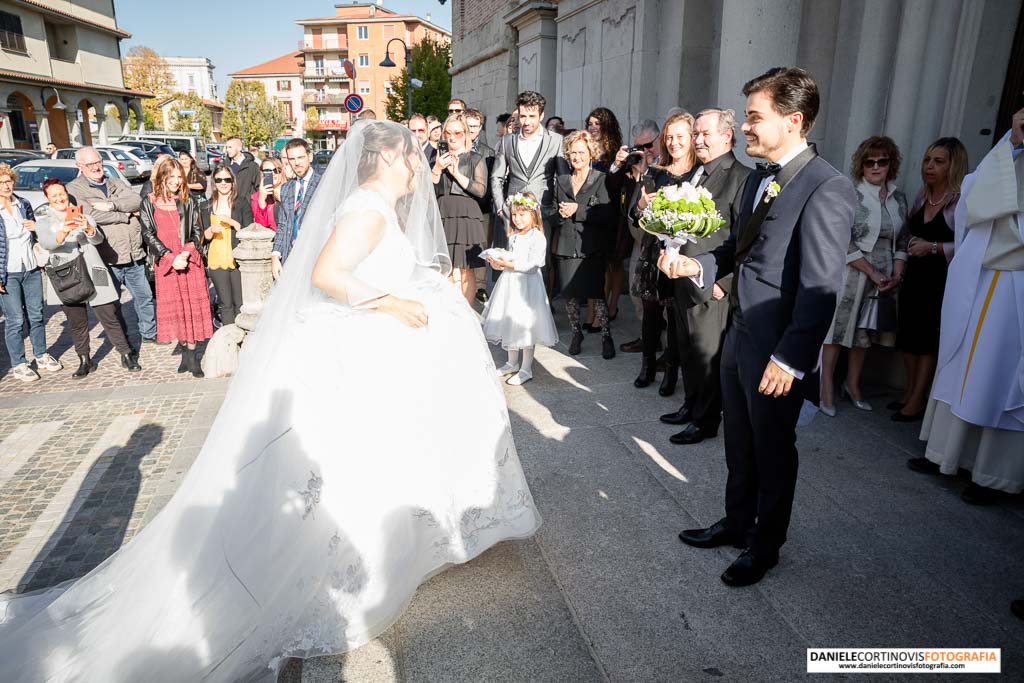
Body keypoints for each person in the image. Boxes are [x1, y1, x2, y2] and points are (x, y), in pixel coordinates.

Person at [0, 122, 541, 682]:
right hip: (361, 344)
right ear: (384, 159)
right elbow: (327, 274)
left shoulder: (374, 204)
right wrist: (391, 304)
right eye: (409, 158)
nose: (415, 169)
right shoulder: (368, 210)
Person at [665, 67, 855, 586]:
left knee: (772, 449)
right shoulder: (757, 179)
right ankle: (735, 522)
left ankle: (765, 545)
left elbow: (820, 287)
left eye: (754, 117)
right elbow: (737, 251)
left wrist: (791, 359)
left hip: (777, 350)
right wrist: (696, 265)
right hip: (739, 333)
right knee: (739, 442)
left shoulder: (827, 188)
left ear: (793, 121)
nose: (746, 127)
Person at [909, 110, 1024, 506]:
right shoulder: (1005, 154)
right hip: (976, 274)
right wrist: (1013, 142)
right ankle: (945, 454)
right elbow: (977, 195)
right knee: (958, 364)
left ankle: (991, 473)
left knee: (995, 377)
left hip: (1015, 286)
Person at [660, 108, 752, 445]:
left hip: (712, 283)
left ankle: (706, 420)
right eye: (695, 133)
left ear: (727, 136)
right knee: (687, 349)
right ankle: (691, 405)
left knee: (707, 355)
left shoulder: (741, 176)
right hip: (684, 276)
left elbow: (743, 238)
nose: (698, 139)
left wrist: (722, 283)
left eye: (705, 133)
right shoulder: (696, 173)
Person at [819, 136, 908, 416]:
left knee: (863, 336)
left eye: (882, 161)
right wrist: (872, 272)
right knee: (836, 332)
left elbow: (903, 240)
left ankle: (853, 384)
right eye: (870, 161)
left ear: (891, 164)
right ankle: (826, 388)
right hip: (852, 272)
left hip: (884, 279)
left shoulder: (899, 198)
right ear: (861, 164)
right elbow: (840, 239)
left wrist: (897, 273)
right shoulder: (850, 194)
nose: (876, 167)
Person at [892, 137, 967, 421]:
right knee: (909, 336)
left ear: (953, 165)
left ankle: (917, 400)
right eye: (926, 160)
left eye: (939, 161)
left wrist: (932, 247)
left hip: (942, 281)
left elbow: (969, 244)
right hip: (915, 277)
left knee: (926, 340)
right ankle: (910, 392)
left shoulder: (960, 202)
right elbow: (909, 232)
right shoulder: (922, 196)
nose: (930, 166)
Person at [35, 178, 138, 377]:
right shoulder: (45, 221)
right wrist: (63, 231)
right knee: (77, 321)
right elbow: (48, 244)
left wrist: (89, 229)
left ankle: (126, 354)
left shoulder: (82, 214)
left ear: (67, 193)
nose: (59, 198)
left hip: (94, 269)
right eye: (54, 195)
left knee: (109, 315)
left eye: (61, 193)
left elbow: (98, 239)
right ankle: (85, 360)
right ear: (47, 199)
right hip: (66, 274)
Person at [630, 110, 697, 394]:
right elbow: (635, 215)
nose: (673, 143)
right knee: (651, 312)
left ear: (691, 139)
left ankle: (671, 371)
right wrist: (643, 206)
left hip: (683, 257)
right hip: (653, 253)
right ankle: (647, 366)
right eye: (669, 137)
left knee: (675, 317)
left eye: (679, 137)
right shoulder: (656, 173)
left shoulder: (700, 173)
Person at [68, 147, 160, 345]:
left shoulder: (116, 182)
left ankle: (149, 332)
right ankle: (122, 340)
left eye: (98, 162)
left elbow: (136, 200)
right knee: (111, 304)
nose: (96, 167)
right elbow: (90, 215)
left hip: (133, 253)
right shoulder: (74, 189)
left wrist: (111, 205)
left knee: (144, 297)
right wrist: (124, 215)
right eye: (90, 164)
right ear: (80, 166)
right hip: (105, 258)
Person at [139, 156, 213, 378]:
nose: (176, 181)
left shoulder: (187, 200)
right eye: (171, 176)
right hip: (168, 264)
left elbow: (198, 232)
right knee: (178, 311)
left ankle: (193, 357)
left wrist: (186, 253)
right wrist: (170, 257)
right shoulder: (149, 201)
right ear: (162, 177)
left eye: (179, 176)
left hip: (189, 261)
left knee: (192, 309)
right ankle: (183, 354)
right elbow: (147, 234)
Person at [483, 192, 559, 385]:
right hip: (510, 285)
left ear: (533, 214)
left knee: (525, 326)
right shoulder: (514, 236)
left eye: (522, 214)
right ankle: (511, 362)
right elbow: (512, 256)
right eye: (514, 215)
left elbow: (533, 265)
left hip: (528, 287)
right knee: (510, 321)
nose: (517, 219)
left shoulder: (538, 237)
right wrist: (498, 263)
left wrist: (508, 265)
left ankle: (526, 369)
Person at [552, 130, 616, 359]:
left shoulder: (600, 178)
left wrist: (578, 209)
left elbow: (608, 213)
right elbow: (551, 210)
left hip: (591, 245)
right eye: (573, 152)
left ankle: (606, 335)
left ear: (591, 153)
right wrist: (559, 214)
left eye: (581, 152)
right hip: (566, 244)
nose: (576, 156)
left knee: (596, 293)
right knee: (569, 294)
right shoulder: (561, 180)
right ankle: (576, 333)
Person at [0, 163, 61, 382]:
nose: (7, 186)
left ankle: (41, 355)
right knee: (15, 320)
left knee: (36, 314)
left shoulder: (22, 203)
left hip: (30, 267)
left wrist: (35, 229)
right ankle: (19, 363)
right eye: (2, 182)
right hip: (7, 271)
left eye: (9, 181)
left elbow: (36, 233)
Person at [490, 91, 563, 246]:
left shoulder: (556, 141)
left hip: (543, 213)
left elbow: (563, 176)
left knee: (541, 266)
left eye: (532, 116)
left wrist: (557, 208)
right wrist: (500, 207)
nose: (526, 121)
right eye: (523, 116)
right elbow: (497, 177)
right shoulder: (507, 141)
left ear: (541, 116)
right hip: (512, 214)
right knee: (512, 262)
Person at [612, 119, 661, 349]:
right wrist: (620, 165)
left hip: (657, 243)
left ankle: (660, 342)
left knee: (657, 298)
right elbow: (612, 189)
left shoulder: (667, 166)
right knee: (636, 292)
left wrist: (647, 171)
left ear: (659, 139)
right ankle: (647, 337)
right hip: (636, 239)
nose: (645, 152)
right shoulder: (636, 165)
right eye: (639, 147)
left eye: (649, 145)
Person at [432, 114, 488, 304]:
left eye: (457, 132)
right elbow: (428, 190)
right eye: (448, 133)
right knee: (445, 268)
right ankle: (449, 313)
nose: (452, 137)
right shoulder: (437, 157)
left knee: (466, 268)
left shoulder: (475, 158)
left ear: (465, 133)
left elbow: (481, 190)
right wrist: (438, 168)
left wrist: (457, 174)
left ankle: (468, 314)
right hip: (443, 214)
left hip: (466, 215)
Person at [204, 164, 253, 326]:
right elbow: (201, 237)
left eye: (227, 179)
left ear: (233, 181)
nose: (223, 183)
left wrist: (232, 222)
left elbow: (249, 229)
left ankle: (244, 342)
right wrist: (210, 230)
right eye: (219, 180)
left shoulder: (241, 202)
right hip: (216, 259)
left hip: (237, 259)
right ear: (214, 183)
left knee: (240, 304)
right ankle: (228, 341)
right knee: (225, 305)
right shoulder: (207, 205)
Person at [271, 138, 322, 279]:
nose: (297, 163)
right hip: (289, 259)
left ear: (310, 157)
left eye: (301, 157)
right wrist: (275, 255)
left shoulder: (323, 184)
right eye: (292, 159)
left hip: (315, 259)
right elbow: (283, 224)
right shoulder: (287, 188)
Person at [252, 156, 285, 231]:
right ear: (261, 173)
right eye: (268, 171)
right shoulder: (257, 197)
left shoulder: (291, 190)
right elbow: (261, 227)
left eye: (276, 170)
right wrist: (261, 201)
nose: (273, 174)